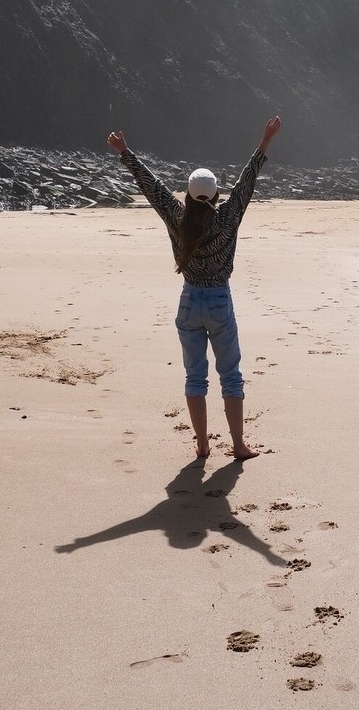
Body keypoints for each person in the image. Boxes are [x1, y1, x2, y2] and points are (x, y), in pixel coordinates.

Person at [106, 116, 282, 462]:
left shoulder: (176, 215)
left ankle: (202, 445)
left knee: (194, 377)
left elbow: (151, 187)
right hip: (219, 300)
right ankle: (238, 445)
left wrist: (125, 152)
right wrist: (266, 138)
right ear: (217, 194)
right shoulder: (228, 216)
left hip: (188, 302)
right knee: (230, 376)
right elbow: (248, 181)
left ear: (187, 193)